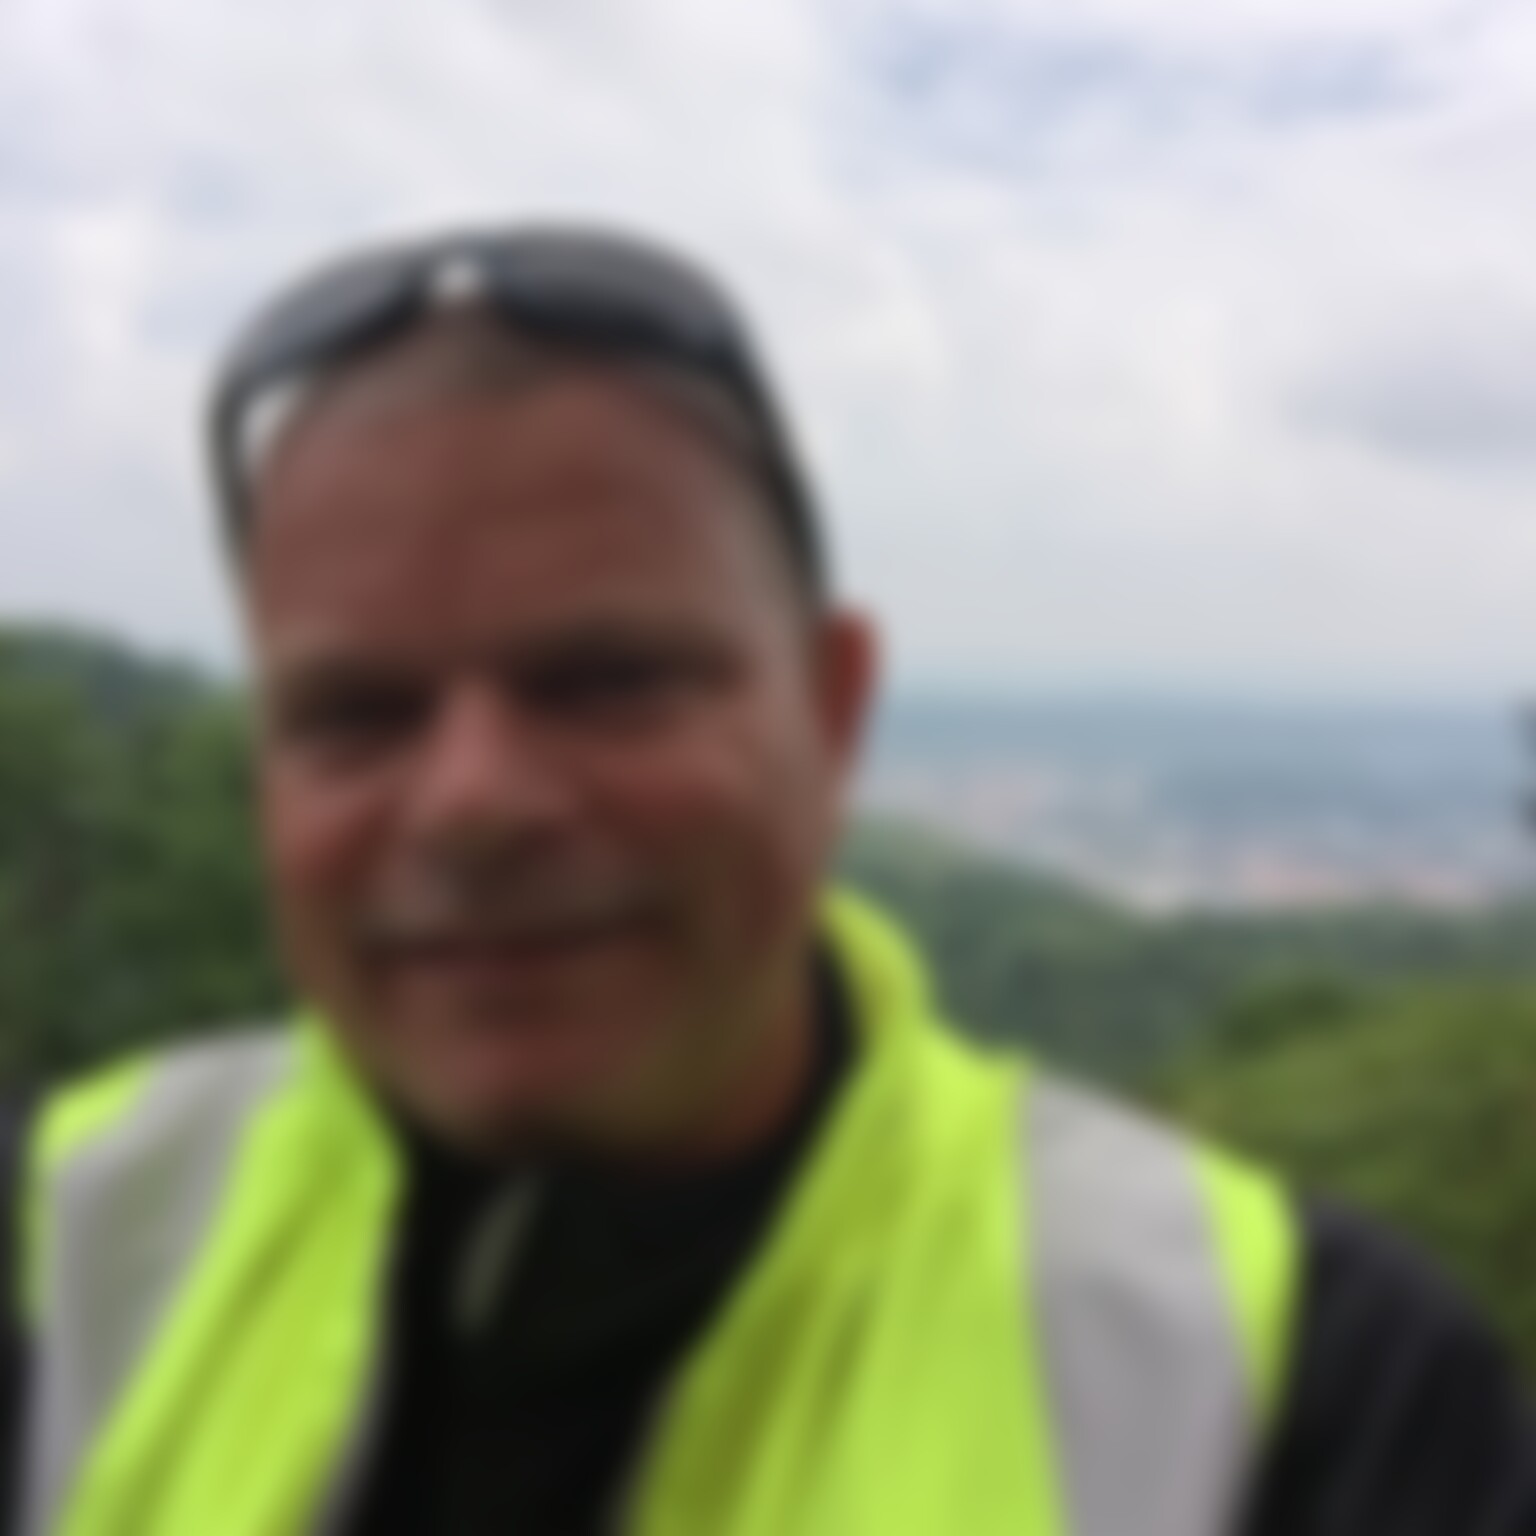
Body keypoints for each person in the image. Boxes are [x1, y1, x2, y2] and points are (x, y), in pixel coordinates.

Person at [3, 226, 1534, 1536]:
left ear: (832, 711)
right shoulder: (63, 1226)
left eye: (605, 679)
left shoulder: (1299, 1392)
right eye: (356, 714)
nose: (470, 805)